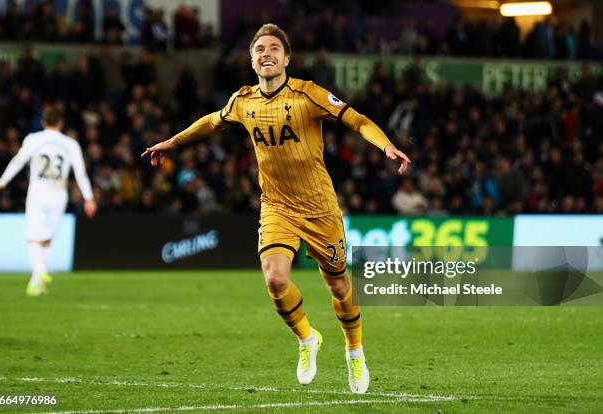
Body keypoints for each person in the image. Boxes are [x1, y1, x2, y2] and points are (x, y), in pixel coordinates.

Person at [142, 23, 410, 394]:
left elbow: (356, 120)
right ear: (252, 61)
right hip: (276, 206)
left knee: (339, 286)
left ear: (286, 58)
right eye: (258, 50)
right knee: (275, 279)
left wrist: (385, 146)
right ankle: (306, 339)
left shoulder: (309, 94)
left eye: (273, 49)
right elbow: (210, 123)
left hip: (319, 208)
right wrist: (173, 142)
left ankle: (354, 350)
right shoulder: (242, 101)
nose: (265, 54)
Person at [0, 108, 97, 296]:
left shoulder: (33, 139)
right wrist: (88, 198)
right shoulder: (70, 143)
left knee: (33, 237)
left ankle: (41, 272)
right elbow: (80, 173)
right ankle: (37, 282)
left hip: (38, 193)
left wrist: (2, 182)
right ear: (61, 123)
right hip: (59, 194)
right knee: (47, 239)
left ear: (43, 122)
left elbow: (18, 161)